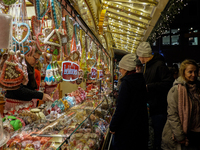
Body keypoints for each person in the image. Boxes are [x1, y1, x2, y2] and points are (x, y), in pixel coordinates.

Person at [136, 42, 174, 150]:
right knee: (153, 135)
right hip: (152, 106)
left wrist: (149, 87)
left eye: (139, 55)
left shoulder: (159, 65)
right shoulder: (147, 66)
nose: (138, 58)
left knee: (159, 135)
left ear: (143, 55)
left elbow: (168, 83)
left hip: (159, 108)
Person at [109, 54, 149, 150]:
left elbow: (121, 108)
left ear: (127, 69)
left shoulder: (126, 83)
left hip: (127, 129)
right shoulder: (141, 80)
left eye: (121, 68)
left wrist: (113, 126)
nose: (120, 71)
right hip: (140, 127)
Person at [162, 59, 200, 150]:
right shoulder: (176, 90)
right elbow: (172, 115)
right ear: (183, 72)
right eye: (190, 72)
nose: (193, 75)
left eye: (195, 72)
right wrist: (180, 136)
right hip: (183, 135)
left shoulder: (198, 89)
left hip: (197, 134)